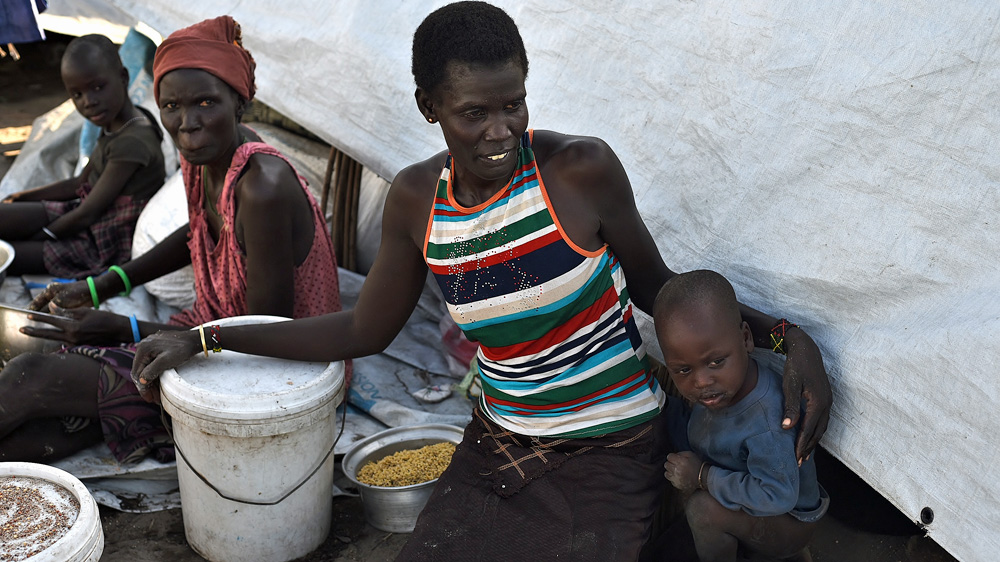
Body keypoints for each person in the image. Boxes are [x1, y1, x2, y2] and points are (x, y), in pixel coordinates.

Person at [131, 3, 831, 559]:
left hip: (612, 442)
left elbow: (663, 289)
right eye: (474, 113)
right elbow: (362, 329)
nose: (501, 131)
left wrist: (788, 338)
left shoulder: (579, 173)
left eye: (514, 105)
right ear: (427, 106)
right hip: (503, 440)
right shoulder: (415, 203)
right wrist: (210, 338)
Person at [0, 15, 343, 465]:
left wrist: (131, 329)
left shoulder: (263, 187)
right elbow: (198, 233)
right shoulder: (205, 159)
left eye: (206, 102)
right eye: (172, 107)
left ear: (240, 102)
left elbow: (267, 336)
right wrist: (102, 285)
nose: (187, 124)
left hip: (275, 372)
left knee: (33, 373)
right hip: (213, 336)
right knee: (46, 427)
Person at [656, 270, 829, 562]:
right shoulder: (724, 385)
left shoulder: (767, 422)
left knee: (702, 511)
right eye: (683, 370)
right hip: (745, 488)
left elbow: (778, 496)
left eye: (716, 362)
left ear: (746, 338)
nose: (701, 381)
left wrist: (702, 476)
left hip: (787, 521)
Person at [0, 34, 165, 278]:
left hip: (101, 242)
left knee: (10, 254)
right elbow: (81, 184)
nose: (89, 102)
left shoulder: (133, 141)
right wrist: (21, 197)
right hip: (82, 214)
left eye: (98, 87)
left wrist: (43, 235)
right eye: (77, 94)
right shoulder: (117, 122)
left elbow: (89, 212)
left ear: (123, 77)